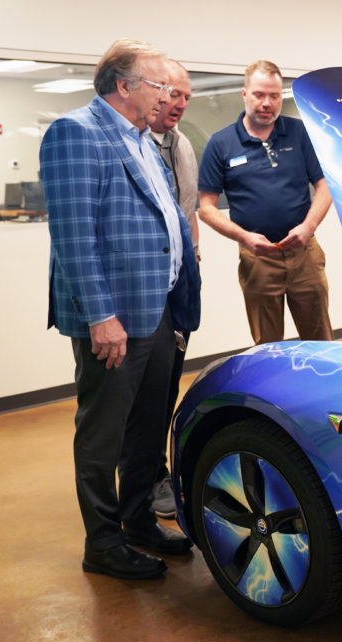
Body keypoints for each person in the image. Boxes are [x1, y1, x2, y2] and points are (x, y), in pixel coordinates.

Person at [40, 39, 201, 579]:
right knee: (104, 432)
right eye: (159, 86)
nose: (166, 97)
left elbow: (167, 222)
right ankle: (103, 543)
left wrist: (177, 307)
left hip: (155, 311)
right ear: (125, 86)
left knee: (148, 428)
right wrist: (99, 316)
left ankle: (137, 522)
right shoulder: (76, 134)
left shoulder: (143, 140)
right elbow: (74, 237)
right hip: (111, 317)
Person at [198, 59, 333, 344]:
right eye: (259, 94)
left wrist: (309, 226)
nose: (267, 103)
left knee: (320, 339)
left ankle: (324, 388)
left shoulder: (299, 133)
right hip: (258, 257)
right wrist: (244, 237)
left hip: (304, 252)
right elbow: (206, 208)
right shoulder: (221, 144)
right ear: (245, 94)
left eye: (274, 95)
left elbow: (325, 185)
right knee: (268, 345)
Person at [147, 59, 199, 519]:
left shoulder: (181, 145)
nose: (178, 103)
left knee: (168, 388)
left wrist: (194, 261)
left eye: (185, 96)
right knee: (140, 396)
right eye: (171, 93)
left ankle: (159, 474)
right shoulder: (133, 144)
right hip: (142, 291)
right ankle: (144, 480)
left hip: (178, 285)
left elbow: (188, 211)